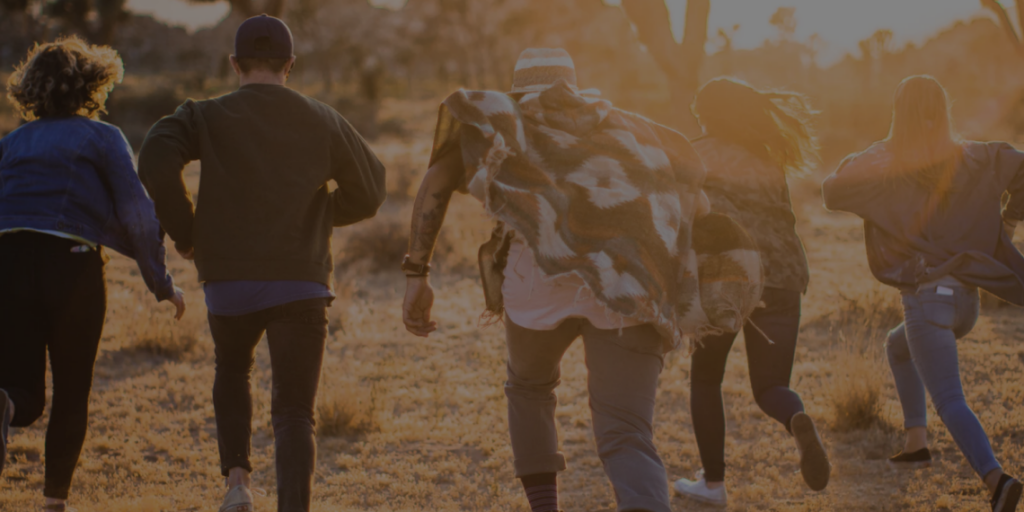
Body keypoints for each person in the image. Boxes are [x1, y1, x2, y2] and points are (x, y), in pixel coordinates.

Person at [402, 48, 732, 512]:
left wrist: (418, 271)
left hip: (537, 283)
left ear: (517, 91)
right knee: (626, 434)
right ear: (575, 88)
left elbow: (437, 177)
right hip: (626, 288)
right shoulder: (630, 130)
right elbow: (692, 188)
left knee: (530, 390)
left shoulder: (506, 122)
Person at [137, 15, 386, 512]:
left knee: (232, 367)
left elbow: (155, 155)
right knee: (295, 412)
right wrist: (321, 214)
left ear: (234, 64)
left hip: (228, 282)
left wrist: (188, 234)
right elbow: (372, 188)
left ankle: (237, 486)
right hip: (301, 283)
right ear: (290, 64)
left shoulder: (203, 114)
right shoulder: (322, 117)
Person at [0, 36, 186, 512]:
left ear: (31, 89)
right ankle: (53, 503)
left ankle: (5, 405)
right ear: (91, 85)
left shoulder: (11, 143)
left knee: (21, 393)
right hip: (72, 264)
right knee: (71, 388)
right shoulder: (102, 137)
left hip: (9, 262)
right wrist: (161, 283)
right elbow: (139, 215)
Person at [823, 75, 1023, 512]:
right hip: (966, 303)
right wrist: (1007, 224)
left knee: (950, 399)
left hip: (929, 301)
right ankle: (917, 442)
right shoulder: (973, 154)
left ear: (898, 115)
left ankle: (997, 481)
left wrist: (880, 147)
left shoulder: (888, 162)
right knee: (897, 348)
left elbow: (832, 189)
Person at [671, 78, 830, 505]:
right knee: (771, 386)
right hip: (784, 276)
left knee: (706, 378)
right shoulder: (768, 159)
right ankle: (795, 416)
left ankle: (714, 484)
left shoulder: (695, 152)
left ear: (708, 114)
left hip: (729, 276)